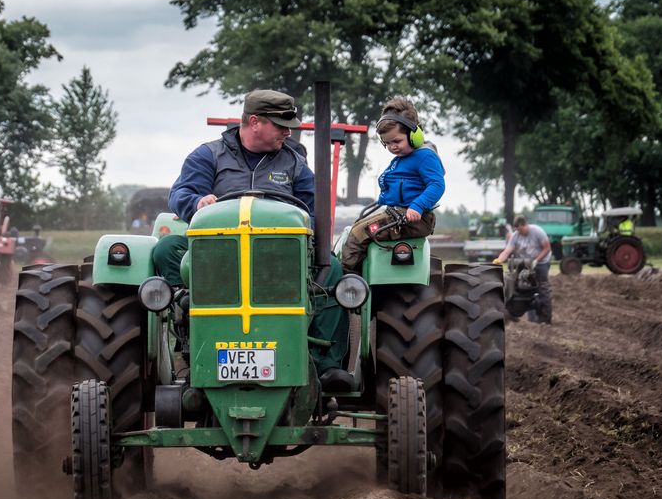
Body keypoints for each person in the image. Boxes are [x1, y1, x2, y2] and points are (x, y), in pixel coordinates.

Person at [153, 89, 353, 391]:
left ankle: (323, 366)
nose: (288, 132)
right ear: (255, 122)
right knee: (168, 248)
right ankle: (189, 322)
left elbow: (313, 211)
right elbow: (180, 194)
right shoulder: (209, 155)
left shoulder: (294, 164)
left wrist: (301, 224)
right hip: (219, 254)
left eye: (289, 126)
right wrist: (197, 203)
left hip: (281, 255)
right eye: (280, 125)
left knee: (333, 271)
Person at [339, 98, 445, 274]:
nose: (392, 147)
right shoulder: (401, 159)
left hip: (415, 219)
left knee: (359, 233)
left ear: (414, 135)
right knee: (353, 228)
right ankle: (359, 275)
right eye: (386, 143)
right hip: (396, 214)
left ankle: (345, 278)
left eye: (396, 141)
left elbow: (436, 185)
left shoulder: (425, 156)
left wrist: (417, 206)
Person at [493, 215, 553, 324]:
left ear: (525, 225)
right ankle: (512, 308)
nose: (519, 232)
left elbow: (547, 249)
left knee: (542, 286)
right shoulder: (516, 236)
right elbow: (507, 251)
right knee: (514, 282)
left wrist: (536, 261)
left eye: (520, 229)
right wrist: (498, 260)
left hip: (542, 261)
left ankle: (545, 319)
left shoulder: (537, 232)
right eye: (517, 230)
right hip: (525, 262)